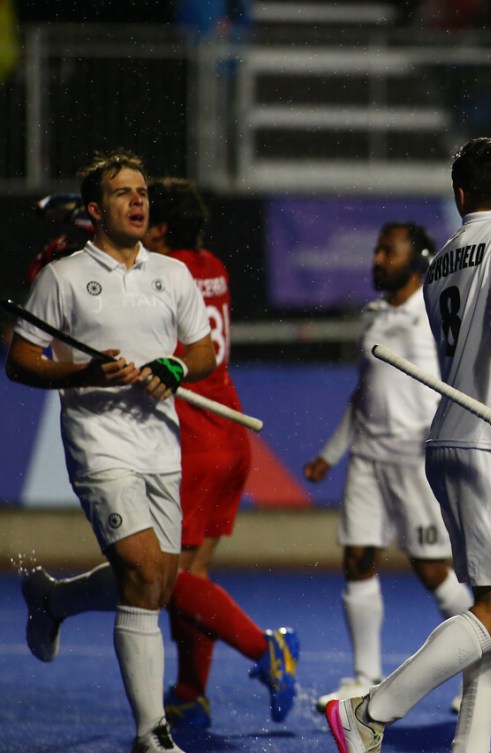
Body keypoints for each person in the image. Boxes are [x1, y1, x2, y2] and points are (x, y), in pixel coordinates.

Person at [325, 136, 491, 753]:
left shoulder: (443, 258)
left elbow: (490, 358)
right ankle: (371, 712)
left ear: (459, 195)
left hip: (450, 438)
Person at [8, 149, 216, 753]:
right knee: (145, 572)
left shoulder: (172, 274)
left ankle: (54, 599)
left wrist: (177, 365)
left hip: (161, 443)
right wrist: (84, 375)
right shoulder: (63, 277)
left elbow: (202, 353)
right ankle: (152, 734)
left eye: (143, 191)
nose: (138, 200)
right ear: (94, 210)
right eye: (124, 192)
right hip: (100, 445)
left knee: (156, 583)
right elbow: (22, 362)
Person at [142, 176, 300, 730]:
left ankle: (265, 648)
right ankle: (190, 693)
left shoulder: (160, 275)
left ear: (160, 229)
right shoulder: (212, 266)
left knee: (161, 579)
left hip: (191, 438)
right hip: (230, 433)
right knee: (195, 575)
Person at [304, 221, 473, 713]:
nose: (377, 259)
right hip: (367, 459)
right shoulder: (374, 314)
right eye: (377, 250)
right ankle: (364, 678)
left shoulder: (434, 316)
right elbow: (364, 393)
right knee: (357, 560)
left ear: (417, 258)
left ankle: (478, 670)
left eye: (388, 251)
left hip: (413, 460)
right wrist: (331, 454)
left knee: (432, 571)